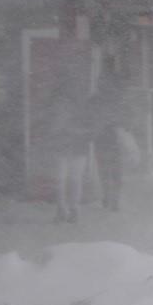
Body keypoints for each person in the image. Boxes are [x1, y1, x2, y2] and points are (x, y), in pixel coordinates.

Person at [46, 70, 92, 223]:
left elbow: (53, 126)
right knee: (74, 179)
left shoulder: (55, 103)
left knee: (61, 179)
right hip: (77, 146)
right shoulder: (82, 104)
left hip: (62, 145)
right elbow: (88, 126)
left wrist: (62, 129)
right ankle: (73, 210)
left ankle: (63, 210)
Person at [89, 63, 128, 212]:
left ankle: (109, 196)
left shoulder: (96, 99)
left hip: (104, 137)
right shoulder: (117, 99)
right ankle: (112, 198)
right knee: (113, 170)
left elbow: (91, 116)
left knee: (106, 170)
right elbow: (125, 117)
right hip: (111, 137)